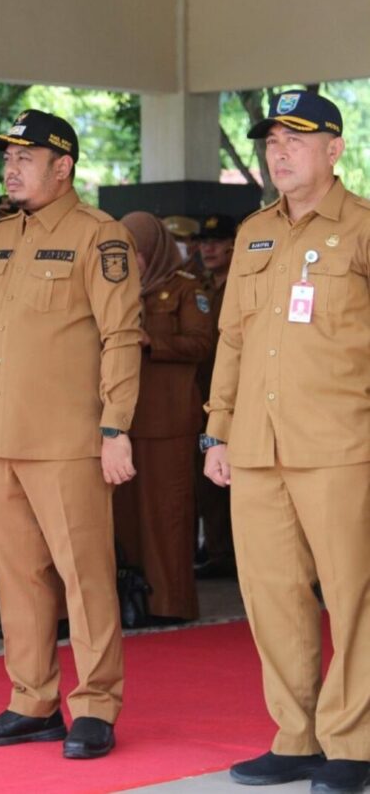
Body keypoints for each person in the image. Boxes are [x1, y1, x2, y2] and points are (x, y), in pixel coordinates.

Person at [0, 109, 142, 759]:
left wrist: (116, 427)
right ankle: (31, 701)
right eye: (7, 158)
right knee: (18, 580)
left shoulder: (100, 236)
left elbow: (122, 337)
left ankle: (95, 705)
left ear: (62, 167)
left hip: (68, 441)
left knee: (85, 579)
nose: (11, 169)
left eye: (25, 158)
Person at [203, 90, 370, 794]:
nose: (280, 153)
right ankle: (297, 736)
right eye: (272, 141)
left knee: (354, 598)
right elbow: (233, 341)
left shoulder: (362, 227)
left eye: (296, 140)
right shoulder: (254, 233)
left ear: (334, 149)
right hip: (255, 447)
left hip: (340, 444)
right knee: (272, 598)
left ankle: (354, 742)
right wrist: (216, 431)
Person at [113, 211, 212, 625]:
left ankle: (170, 604)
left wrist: (155, 341)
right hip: (124, 423)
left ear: (153, 251)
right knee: (126, 518)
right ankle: (134, 600)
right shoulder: (114, 291)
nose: (129, 260)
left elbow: (203, 343)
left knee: (168, 515)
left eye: (135, 252)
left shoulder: (186, 289)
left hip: (169, 422)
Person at [193, 214, 237, 580]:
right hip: (204, 391)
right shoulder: (200, 285)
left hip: (236, 392)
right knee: (209, 476)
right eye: (204, 242)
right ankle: (219, 548)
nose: (208, 248)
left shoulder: (240, 281)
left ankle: (235, 551)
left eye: (217, 241)